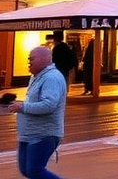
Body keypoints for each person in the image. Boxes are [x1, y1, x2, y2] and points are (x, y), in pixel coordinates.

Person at [9, 46, 67, 179]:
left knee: (35, 171)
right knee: (26, 170)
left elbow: (49, 105)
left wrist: (23, 107)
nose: (28, 62)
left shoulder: (51, 78)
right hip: (29, 134)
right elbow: (34, 101)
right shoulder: (37, 77)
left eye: (31, 59)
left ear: (44, 59)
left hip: (43, 135)